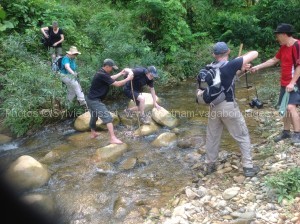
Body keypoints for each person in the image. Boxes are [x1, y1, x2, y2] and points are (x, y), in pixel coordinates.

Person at [203, 42, 260, 177]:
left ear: (214, 55)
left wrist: (241, 68)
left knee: (212, 137)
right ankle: (248, 167)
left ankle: (210, 165)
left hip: (213, 107)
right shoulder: (230, 65)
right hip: (228, 106)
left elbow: (227, 77)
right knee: (242, 135)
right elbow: (255, 53)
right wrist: (238, 62)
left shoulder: (210, 67)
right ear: (228, 51)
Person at [250, 23, 300, 144]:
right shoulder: (283, 47)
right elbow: (273, 60)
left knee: (290, 107)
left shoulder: (297, 45)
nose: (276, 38)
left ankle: (298, 134)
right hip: (285, 83)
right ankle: (286, 132)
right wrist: (257, 67)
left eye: (277, 35)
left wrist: (292, 83)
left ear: (284, 35)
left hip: (296, 83)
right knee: (284, 108)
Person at [85, 59, 134, 144]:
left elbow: (110, 78)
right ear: (107, 66)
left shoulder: (102, 73)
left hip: (90, 99)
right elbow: (117, 84)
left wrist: (121, 74)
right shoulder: (102, 74)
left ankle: (93, 133)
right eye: (111, 68)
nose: (112, 69)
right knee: (108, 118)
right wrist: (128, 79)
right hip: (94, 101)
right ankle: (112, 138)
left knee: (94, 117)